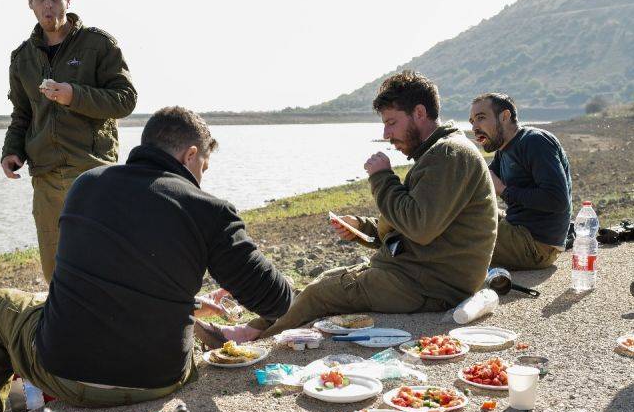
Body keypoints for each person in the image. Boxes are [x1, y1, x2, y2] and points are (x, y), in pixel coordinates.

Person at [0, 107, 293, 412]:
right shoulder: (209, 210)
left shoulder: (85, 185)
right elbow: (276, 301)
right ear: (191, 154)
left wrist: (188, 303)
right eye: (203, 168)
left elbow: (99, 274)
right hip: (159, 380)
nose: (201, 180)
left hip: (64, 375)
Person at [201, 71, 498, 346]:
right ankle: (251, 329)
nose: (386, 134)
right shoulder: (439, 153)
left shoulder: (449, 154)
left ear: (419, 113)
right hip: (420, 274)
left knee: (322, 293)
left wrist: (382, 177)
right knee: (324, 279)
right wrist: (360, 227)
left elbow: (419, 227)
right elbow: (411, 222)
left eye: (392, 122)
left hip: (433, 286)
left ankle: (253, 341)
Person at [0, 0, 137, 283]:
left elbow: (126, 100)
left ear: (68, 0)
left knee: (101, 263)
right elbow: (22, 114)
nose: (48, 5)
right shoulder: (21, 58)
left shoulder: (98, 44)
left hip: (91, 172)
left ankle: (112, 327)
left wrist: (73, 95)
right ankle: (66, 328)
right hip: (45, 176)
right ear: (30, 3)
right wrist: (12, 151)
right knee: (56, 271)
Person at [469, 93, 573, 270]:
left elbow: (557, 200)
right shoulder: (504, 149)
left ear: (505, 116)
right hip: (518, 230)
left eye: (481, 118)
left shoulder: (535, 142)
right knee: (461, 214)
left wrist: (503, 190)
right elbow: (482, 179)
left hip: (536, 245)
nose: (474, 127)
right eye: (472, 122)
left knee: (458, 230)